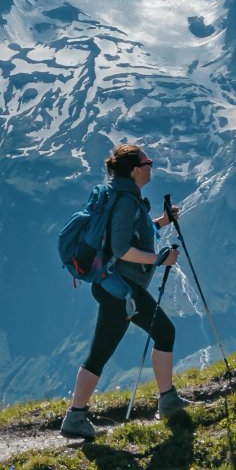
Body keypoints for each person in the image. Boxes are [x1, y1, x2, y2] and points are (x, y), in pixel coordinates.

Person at [60, 144, 187, 439]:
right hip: (122, 290)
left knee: (104, 350)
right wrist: (158, 259)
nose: (151, 166)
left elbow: (128, 238)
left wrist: (161, 222)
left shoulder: (122, 196)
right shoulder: (127, 200)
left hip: (115, 287)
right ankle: (165, 401)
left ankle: (77, 416)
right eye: (147, 162)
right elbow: (121, 249)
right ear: (134, 170)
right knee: (161, 334)